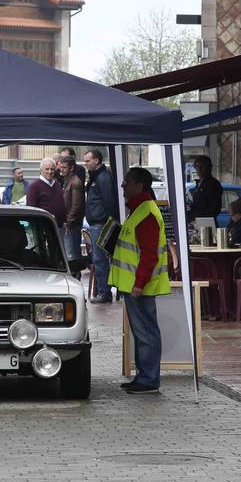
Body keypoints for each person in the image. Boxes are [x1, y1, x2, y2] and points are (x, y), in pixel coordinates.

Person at [111, 167, 171, 394]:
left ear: (139, 185)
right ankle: (144, 376)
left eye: (127, 182)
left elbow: (149, 253)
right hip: (136, 284)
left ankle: (148, 379)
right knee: (142, 331)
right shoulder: (139, 210)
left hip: (140, 286)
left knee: (145, 332)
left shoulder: (145, 213)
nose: (123, 185)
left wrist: (139, 283)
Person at [83, 148, 119, 303]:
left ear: (96, 160)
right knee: (100, 260)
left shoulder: (102, 178)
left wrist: (109, 222)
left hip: (101, 223)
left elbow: (109, 201)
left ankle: (104, 293)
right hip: (98, 223)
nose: (85, 164)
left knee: (100, 260)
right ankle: (105, 291)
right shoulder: (96, 177)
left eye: (87, 161)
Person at [58, 156, 86, 260]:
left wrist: (68, 222)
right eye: (61, 167)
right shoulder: (67, 180)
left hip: (72, 225)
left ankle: (75, 275)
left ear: (71, 168)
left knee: (72, 254)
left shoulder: (75, 182)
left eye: (64, 167)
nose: (61, 169)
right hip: (68, 223)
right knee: (68, 252)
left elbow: (76, 205)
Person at [189, 155, 223, 222]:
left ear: (209, 168)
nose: (199, 170)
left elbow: (214, 208)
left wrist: (198, 217)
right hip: (196, 221)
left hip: (207, 223)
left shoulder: (213, 184)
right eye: (197, 167)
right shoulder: (199, 183)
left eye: (202, 167)